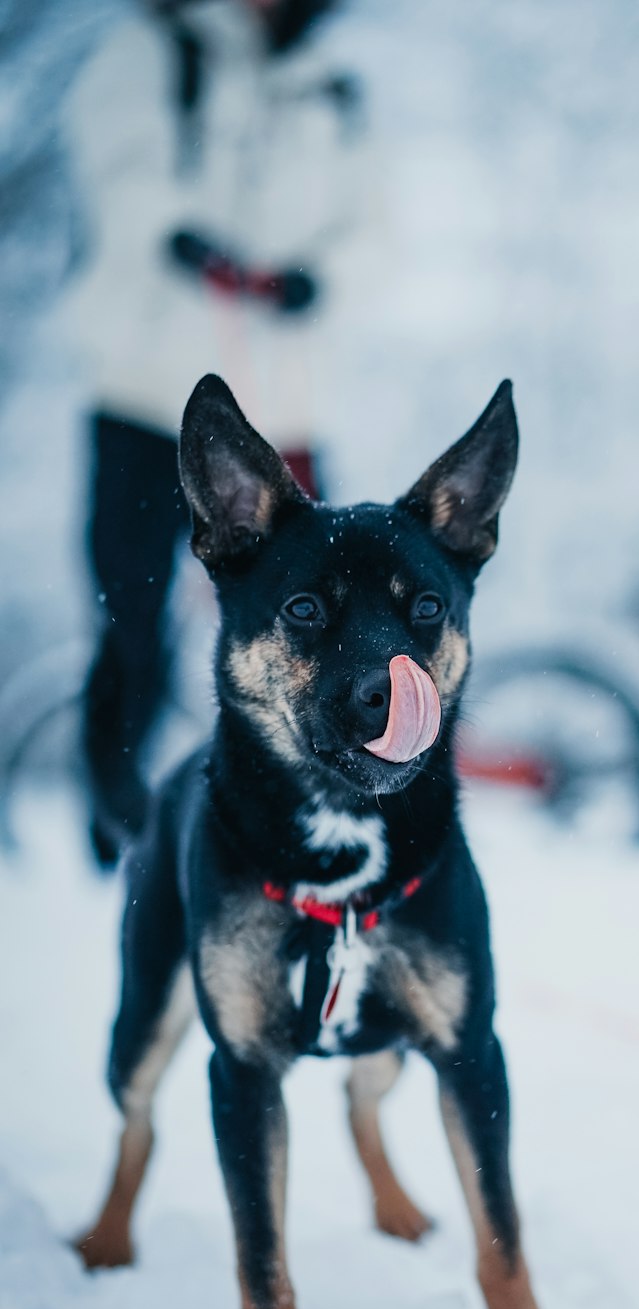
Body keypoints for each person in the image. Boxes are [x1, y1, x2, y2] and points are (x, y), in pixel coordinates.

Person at [65, 0, 368, 864]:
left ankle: (302, 807)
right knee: (131, 620)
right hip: (144, 398)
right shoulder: (152, 53)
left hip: (282, 412)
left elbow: (374, 231)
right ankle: (118, 833)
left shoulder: (334, 90)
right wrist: (179, 239)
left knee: (314, 627)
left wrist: (317, 279)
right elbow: (119, 176)